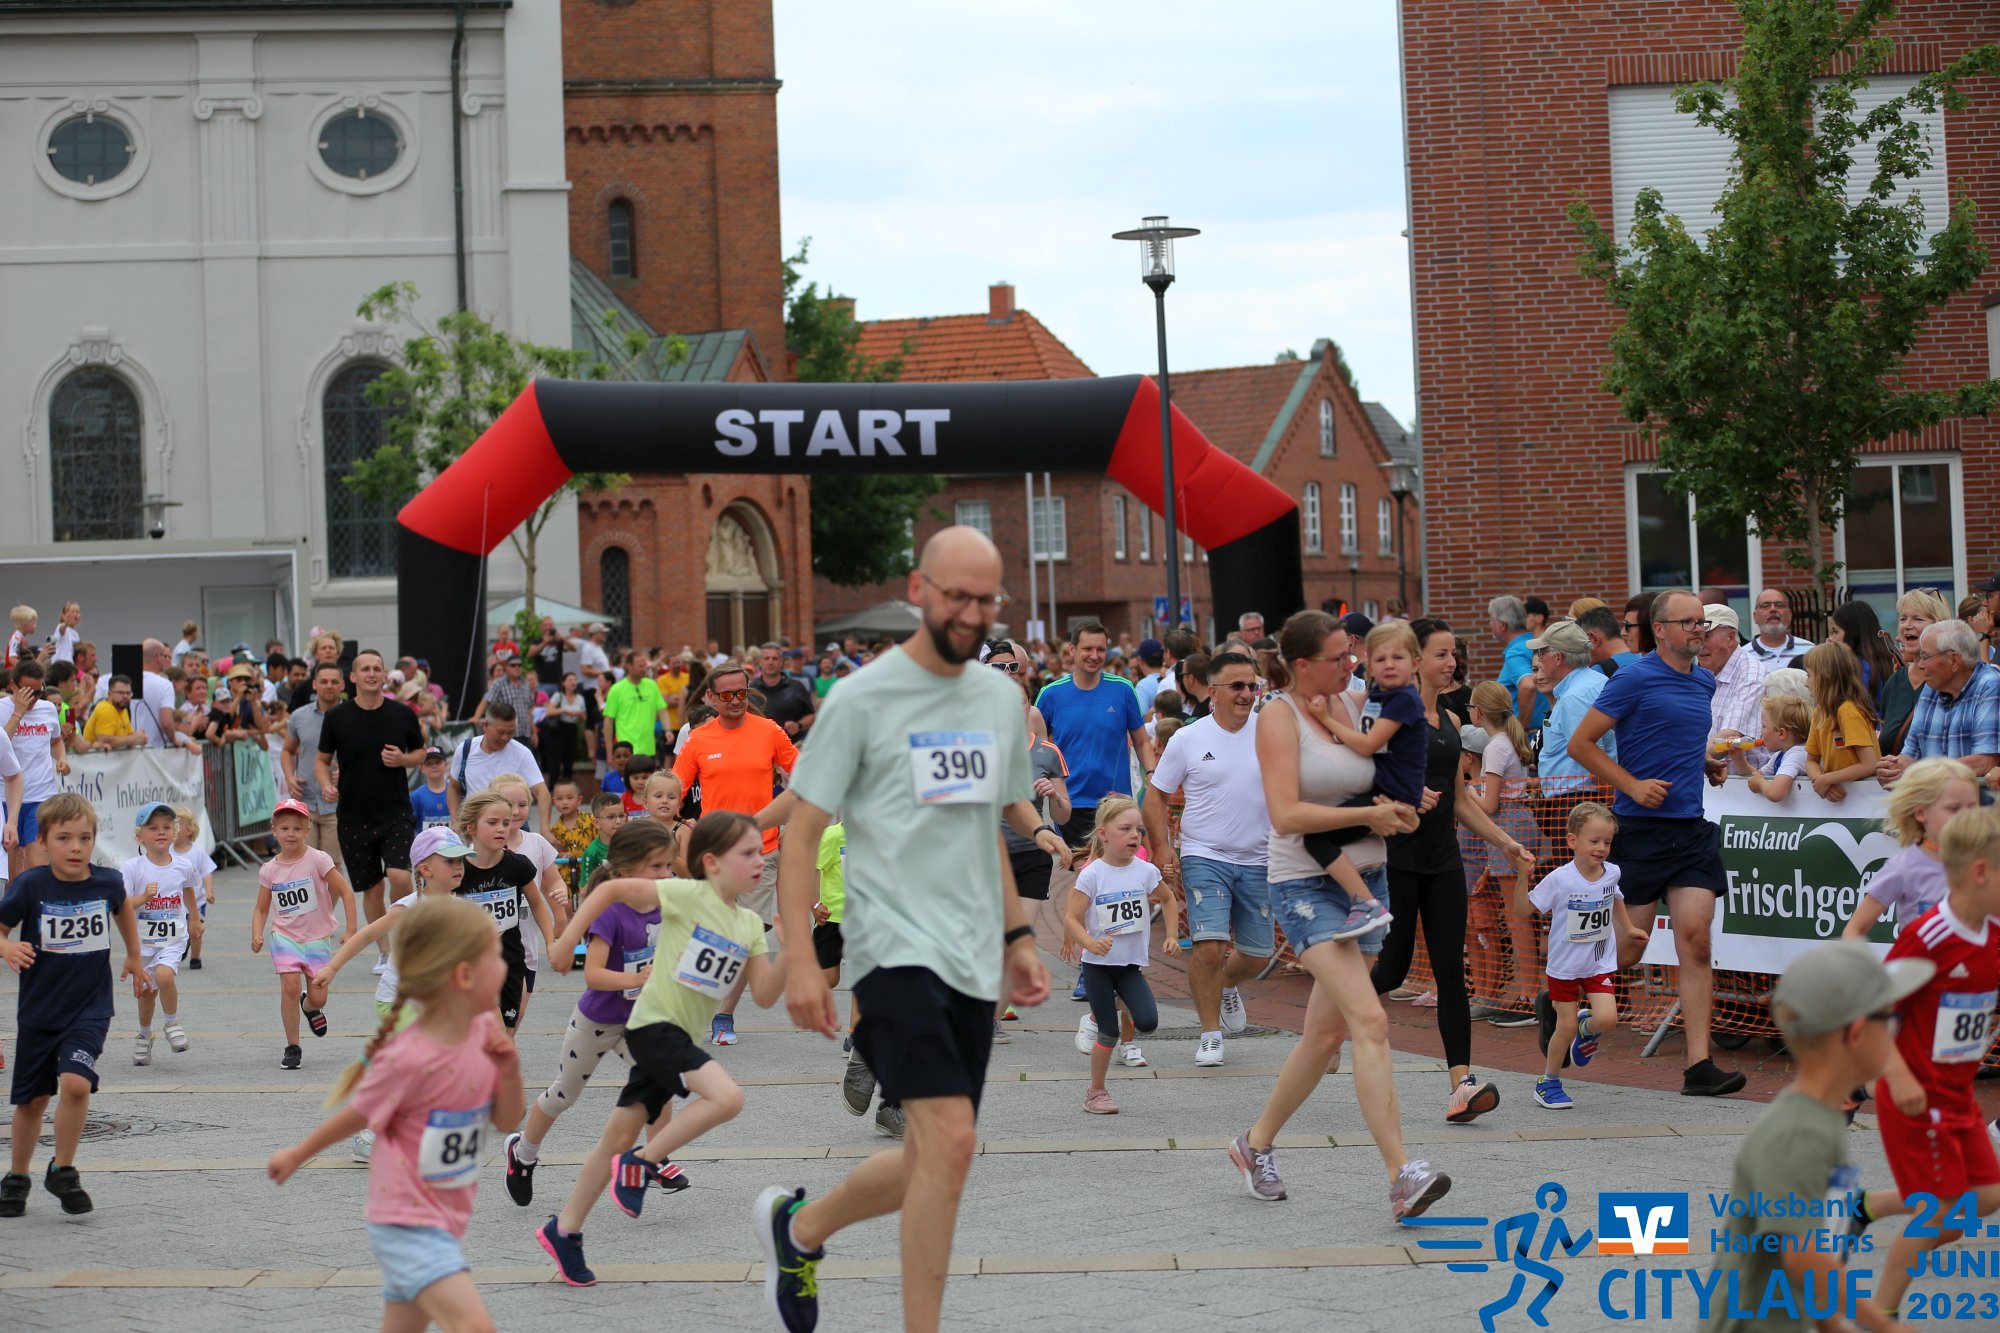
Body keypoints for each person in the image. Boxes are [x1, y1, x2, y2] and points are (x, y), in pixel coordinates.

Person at [758, 526, 1054, 1333]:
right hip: (889, 949)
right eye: (956, 596)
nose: (971, 612)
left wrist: (1019, 937)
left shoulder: (998, 700)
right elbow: (801, 833)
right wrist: (801, 958)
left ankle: (801, 1228)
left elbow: (984, 828)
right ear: (920, 591)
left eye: (985, 600)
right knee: (950, 1140)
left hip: (971, 956)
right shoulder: (864, 699)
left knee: (937, 1152)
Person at [1230, 609, 1450, 1212]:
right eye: (1340, 656)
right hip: (1306, 884)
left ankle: (1254, 1144)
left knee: (1325, 1036)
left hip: (1368, 879)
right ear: (1303, 665)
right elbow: (1286, 815)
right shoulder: (1277, 716)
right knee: (1370, 1021)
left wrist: (1401, 810)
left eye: (1352, 653)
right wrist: (1369, 815)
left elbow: (1392, 767)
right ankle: (1402, 1174)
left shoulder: (1358, 703)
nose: (1352, 663)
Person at [537, 813, 783, 1288]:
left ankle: (564, 1230)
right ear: (711, 862)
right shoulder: (687, 894)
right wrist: (566, 942)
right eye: (748, 853)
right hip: (652, 1027)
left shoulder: (750, 924)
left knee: (615, 1138)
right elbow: (609, 890)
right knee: (727, 1098)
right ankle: (644, 1161)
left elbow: (768, 994)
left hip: (677, 1038)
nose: (760, 861)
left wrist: (793, 949)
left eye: (762, 851)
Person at [268, 896, 521, 1333]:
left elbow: (507, 1121)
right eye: (495, 959)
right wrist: (298, 1154)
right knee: (474, 1326)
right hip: (406, 1220)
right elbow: (360, 1112)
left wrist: (510, 1072)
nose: (505, 967)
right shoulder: (411, 1052)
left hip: (446, 1217)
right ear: (464, 975)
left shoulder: (482, 1032)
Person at [1567, 589, 1746, 1097]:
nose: (1698, 630)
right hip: (1641, 829)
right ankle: (1563, 1000)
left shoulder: (1704, 681)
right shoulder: (1633, 677)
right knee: (1629, 949)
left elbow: (1677, 738)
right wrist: (1632, 786)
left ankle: (1699, 1066)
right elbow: (1581, 744)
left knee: (1696, 941)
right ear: (1660, 629)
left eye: (1702, 622)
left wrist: (1704, 763)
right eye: (1687, 622)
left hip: (1690, 829)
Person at [1701, 940, 1922, 1333]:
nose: (1895, 1037)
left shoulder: (1825, 1119)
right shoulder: (1799, 1134)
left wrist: (1832, 1326)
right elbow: (1804, 1258)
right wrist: (1883, 1326)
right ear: (1857, 1034)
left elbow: (1816, 1245)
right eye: (1889, 1023)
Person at [1369, 617, 1538, 1112]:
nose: (1452, 663)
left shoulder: (1449, 718)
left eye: (1453, 654)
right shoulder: (1390, 717)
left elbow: (1461, 799)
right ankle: (1335, 1014)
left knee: (1450, 972)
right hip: (1397, 859)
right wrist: (1398, 794)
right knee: (1393, 969)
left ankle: (1462, 1084)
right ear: (1415, 659)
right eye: (1442, 654)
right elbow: (1360, 778)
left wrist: (1506, 842)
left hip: (1443, 860)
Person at [1850, 806, 2000, 1317]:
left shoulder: (1991, 929)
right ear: (1980, 872)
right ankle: (1881, 1315)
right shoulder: (1930, 937)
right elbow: (1873, 1010)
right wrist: (1893, 1075)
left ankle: (1867, 1205)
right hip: (1915, 1095)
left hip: (1956, 1094)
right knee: (1939, 1212)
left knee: (1985, 1196)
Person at [502, 819, 679, 1209]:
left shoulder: (664, 905)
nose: (666, 874)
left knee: (660, 1079)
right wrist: (637, 977)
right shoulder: (610, 913)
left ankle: (655, 1156)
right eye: (657, 866)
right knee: (563, 1095)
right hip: (597, 1021)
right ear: (626, 868)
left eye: (669, 865)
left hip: (639, 1018)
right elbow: (594, 975)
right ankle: (523, 1153)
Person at [0, 793, 147, 1218]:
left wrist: (134, 955)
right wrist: (7, 947)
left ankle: (62, 1169)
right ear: (43, 842)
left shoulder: (107, 882)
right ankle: (17, 1176)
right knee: (32, 1101)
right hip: (39, 1012)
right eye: (64, 838)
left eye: (85, 838)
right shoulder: (31, 885)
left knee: (77, 1084)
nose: (76, 847)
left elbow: (122, 910)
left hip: (89, 1008)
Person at [307, 825, 476, 1162]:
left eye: (461, 860)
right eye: (450, 860)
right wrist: (332, 968)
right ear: (425, 869)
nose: (459, 866)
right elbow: (367, 936)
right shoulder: (409, 907)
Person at [1144, 649, 1270, 1066]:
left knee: (1256, 956)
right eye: (1237, 686)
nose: (1246, 694)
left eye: (1252, 685)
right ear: (1213, 691)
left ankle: (1226, 986)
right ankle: (1210, 1033)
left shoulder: (1271, 730)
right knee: (1209, 947)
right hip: (1205, 853)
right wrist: (1162, 847)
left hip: (1260, 857)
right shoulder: (1188, 738)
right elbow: (1156, 796)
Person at [672, 659, 799, 1045]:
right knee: (712, 935)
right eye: (726, 695)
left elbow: (802, 771)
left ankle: (723, 1015)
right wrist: (675, 825)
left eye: (741, 693)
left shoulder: (768, 730)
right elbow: (673, 790)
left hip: (762, 850)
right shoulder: (699, 739)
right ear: (710, 698)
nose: (735, 701)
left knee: (746, 938)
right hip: (715, 854)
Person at [1302, 622, 1431, 940]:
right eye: (1380, 659)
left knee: (1315, 838)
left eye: (1398, 658)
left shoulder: (1404, 699)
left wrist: (1325, 719)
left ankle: (1365, 902)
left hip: (1393, 793)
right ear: (1368, 664)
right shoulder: (1379, 694)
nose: (1389, 665)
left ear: (1415, 663)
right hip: (1382, 787)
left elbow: (1368, 744)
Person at [1511, 802, 1635, 1110]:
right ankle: (1549, 1082)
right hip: (1564, 966)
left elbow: (1616, 898)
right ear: (1572, 841)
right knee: (1563, 1027)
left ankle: (1586, 1028)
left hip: (1598, 962)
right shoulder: (1560, 879)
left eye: (1607, 842)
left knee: (1608, 1020)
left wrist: (1629, 929)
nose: (1601, 848)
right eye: (1594, 841)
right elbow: (1522, 910)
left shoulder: (1612, 873)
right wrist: (1523, 876)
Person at [1063, 797, 1178, 1113]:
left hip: (1129, 966)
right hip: (1097, 966)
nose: (1134, 836)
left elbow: (1168, 900)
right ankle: (1096, 1092)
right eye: (1125, 829)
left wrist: (1171, 935)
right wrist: (1089, 942)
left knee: (1148, 1022)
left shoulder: (1145, 871)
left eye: (1138, 830)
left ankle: (1106, 1005)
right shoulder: (1092, 874)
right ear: (1103, 834)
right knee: (1109, 1032)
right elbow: (1071, 917)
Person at [316, 649, 426, 949]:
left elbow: (420, 753)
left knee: (399, 877)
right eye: (365, 669)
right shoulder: (337, 717)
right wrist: (325, 784)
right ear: (353, 677)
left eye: (377, 668)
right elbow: (322, 760)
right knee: (373, 889)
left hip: (395, 812)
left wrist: (403, 759)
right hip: (354, 816)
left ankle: (404, 942)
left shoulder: (402, 713)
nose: (372, 674)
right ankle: (385, 951)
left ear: (384, 674)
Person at [253, 798, 359, 1068]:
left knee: (319, 996)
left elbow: (346, 891)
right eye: (284, 828)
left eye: (297, 829)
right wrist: (257, 933)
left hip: (317, 938)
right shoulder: (270, 869)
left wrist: (351, 929)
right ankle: (293, 1047)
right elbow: (261, 908)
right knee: (289, 986)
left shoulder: (318, 859)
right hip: (285, 936)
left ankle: (310, 1007)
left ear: (307, 829)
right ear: (274, 831)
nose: (291, 834)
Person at [1841, 757, 1979, 941]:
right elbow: (1853, 930)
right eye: (1954, 808)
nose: (1966, 816)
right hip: (1922, 959)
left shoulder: (1987, 861)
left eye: (1972, 807)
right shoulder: (1904, 867)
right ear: (1921, 813)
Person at [453, 790, 556, 1034]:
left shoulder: (517, 865)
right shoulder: (458, 869)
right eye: (492, 822)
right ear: (471, 827)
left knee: (507, 1033)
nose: (501, 828)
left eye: (506, 823)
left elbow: (537, 904)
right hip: (471, 964)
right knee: (488, 1032)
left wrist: (551, 942)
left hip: (510, 961)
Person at [124, 802, 204, 1064]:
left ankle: (172, 1023)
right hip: (143, 943)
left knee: (164, 975)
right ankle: (144, 1035)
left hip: (173, 938)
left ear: (174, 831)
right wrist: (143, 898)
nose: (161, 832)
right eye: (153, 828)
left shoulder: (183, 865)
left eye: (167, 827)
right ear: (139, 836)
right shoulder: (133, 868)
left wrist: (194, 918)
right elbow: (123, 905)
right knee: (147, 994)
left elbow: (189, 889)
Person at [1878, 620, 1999, 782]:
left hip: (1973, 797)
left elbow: (1985, 762)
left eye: (1925, 657)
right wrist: (1893, 768)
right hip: (1933, 796)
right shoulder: (1932, 686)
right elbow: (1910, 754)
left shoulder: (1990, 684)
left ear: (1954, 660)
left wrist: (1920, 772)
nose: (1920, 665)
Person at [1532, 621, 1616, 792]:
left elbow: (1594, 759)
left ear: (1558, 658)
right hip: (1584, 797)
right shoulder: (1596, 681)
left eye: (1541, 652)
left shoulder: (1574, 697)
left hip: (1578, 799)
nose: (1539, 659)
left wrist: (1612, 802)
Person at [2, 660, 68, 875]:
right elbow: (1, 745)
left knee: (39, 871)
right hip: (6, 799)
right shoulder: (2, 709)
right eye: (28, 692)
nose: (33, 699)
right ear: (13, 686)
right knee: (10, 877)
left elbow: (56, 741)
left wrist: (61, 758)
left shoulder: (48, 709)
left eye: (39, 693)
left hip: (41, 797)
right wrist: (18, 713)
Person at [447, 703, 551, 832]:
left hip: (511, 826)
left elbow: (542, 792)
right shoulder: (465, 750)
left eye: (510, 733)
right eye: (500, 732)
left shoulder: (521, 753)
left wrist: (545, 828)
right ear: (485, 725)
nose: (505, 738)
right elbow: (453, 787)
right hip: (475, 826)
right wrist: (455, 820)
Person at [1876, 588, 1952, 756]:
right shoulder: (1895, 682)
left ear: (1939, 625)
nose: (1907, 625)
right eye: (1903, 619)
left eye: (1917, 619)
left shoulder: (1952, 681)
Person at [1802, 642, 1880, 802]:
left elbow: (1870, 764)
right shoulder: (1820, 712)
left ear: (1827, 676)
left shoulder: (1847, 710)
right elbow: (1811, 761)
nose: (1806, 683)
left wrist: (1828, 779)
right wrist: (1821, 780)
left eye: (1809, 675)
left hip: (1864, 799)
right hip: (1843, 800)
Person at [1699, 605, 1770, 749]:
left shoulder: (1751, 676)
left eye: (1706, 636)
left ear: (1731, 637)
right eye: (1696, 637)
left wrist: (1687, 759)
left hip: (1739, 765)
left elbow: (1729, 738)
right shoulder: (1707, 670)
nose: (1699, 645)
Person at [1732, 693, 1810, 803]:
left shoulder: (1796, 755)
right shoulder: (1780, 755)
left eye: (1763, 726)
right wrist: (1739, 759)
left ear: (1781, 733)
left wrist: (1760, 783)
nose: (1760, 731)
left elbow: (1775, 793)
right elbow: (1756, 775)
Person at [602, 652, 670, 762]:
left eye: (645, 665)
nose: (644, 669)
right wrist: (609, 751)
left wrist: (668, 730)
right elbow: (608, 720)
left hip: (648, 749)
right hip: (625, 751)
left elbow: (662, 710)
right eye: (640, 666)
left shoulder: (652, 685)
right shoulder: (616, 689)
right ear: (629, 666)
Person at [1827, 601, 1898, 703]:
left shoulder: (1856, 669)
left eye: (1835, 632)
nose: (1831, 639)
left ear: (1852, 633)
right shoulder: (1885, 662)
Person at [172, 808, 217, 970]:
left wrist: (209, 891)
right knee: (179, 930)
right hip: (175, 903)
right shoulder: (167, 853)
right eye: (171, 825)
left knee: (195, 931)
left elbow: (207, 873)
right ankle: (182, 947)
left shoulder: (197, 852)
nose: (173, 828)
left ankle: (195, 956)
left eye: (178, 824)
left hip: (197, 901)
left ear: (189, 830)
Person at [1490, 595, 1542, 728]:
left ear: (1503, 625)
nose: (1490, 624)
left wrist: (1522, 729)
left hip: (1531, 735)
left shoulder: (1516, 652)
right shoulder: (1535, 644)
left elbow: (1528, 686)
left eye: (1492, 620)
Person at [474, 646, 539, 749]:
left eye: (519, 665)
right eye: (513, 665)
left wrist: (534, 732)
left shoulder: (525, 684)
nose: (517, 667)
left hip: (525, 733)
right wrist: (476, 717)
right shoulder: (499, 683)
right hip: (507, 735)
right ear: (506, 668)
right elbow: (486, 700)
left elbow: (529, 711)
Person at [752, 642, 818, 742]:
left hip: (791, 746)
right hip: (760, 746)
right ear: (760, 662)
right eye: (766, 658)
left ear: (781, 661)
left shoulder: (796, 686)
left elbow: (811, 715)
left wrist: (798, 725)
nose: (770, 662)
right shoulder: (751, 690)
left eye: (775, 658)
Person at [1746, 588, 1814, 667]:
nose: (1773, 609)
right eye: (1765, 606)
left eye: (1779, 605)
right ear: (1755, 617)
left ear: (1789, 615)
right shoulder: (1742, 656)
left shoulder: (1809, 651)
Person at [542, 672, 587, 783]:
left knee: (569, 760)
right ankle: (552, 787)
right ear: (563, 683)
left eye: (575, 680)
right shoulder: (559, 696)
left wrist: (579, 715)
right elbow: (549, 711)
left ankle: (568, 787)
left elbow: (583, 718)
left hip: (572, 729)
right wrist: (564, 710)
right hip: (558, 730)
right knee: (555, 762)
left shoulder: (580, 698)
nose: (573, 682)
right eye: (570, 680)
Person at [80, 675, 145, 752]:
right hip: (92, 758)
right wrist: (132, 739)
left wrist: (139, 737)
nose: (125, 696)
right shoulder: (106, 709)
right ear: (109, 694)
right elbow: (104, 740)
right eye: (121, 693)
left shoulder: (122, 709)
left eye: (128, 693)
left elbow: (128, 736)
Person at [579, 792, 623, 888]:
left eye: (621, 815)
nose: (618, 821)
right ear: (596, 823)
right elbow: (584, 888)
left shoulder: (632, 844)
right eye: (611, 817)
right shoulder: (592, 852)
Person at [410, 745, 453, 832]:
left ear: (446, 764)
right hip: (426, 841)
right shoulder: (416, 796)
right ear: (422, 768)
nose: (434, 766)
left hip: (452, 840)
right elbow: (411, 825)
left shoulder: (455, 791)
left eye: (438, 762)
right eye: (428, 763)